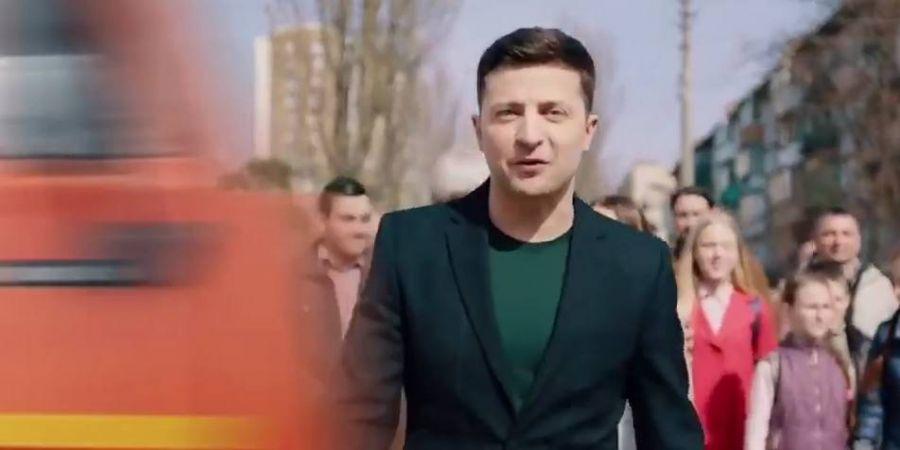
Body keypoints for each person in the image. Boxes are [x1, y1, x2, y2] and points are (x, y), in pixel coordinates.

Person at [331, 27, 702, 450]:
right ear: (479, 129)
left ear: (588, 130)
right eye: (508, 113)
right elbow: (356, 418)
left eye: (553, 112)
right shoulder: (411, 246)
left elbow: (669, 431)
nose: (529, 135)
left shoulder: (638, 264)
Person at [676, 211, 779, 450]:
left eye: (726, 246)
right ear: (694, 253)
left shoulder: (755, 308)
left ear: (737, 253)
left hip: (743, 432)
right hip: (692, 433)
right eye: (708, 246)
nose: (717, 254)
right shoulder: (678, 309)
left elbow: (770, 377)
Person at [745, 269, 853, 450]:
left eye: (826, 307)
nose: (820, 316)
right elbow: (756, 433)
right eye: (811, 307)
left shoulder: (840, 364)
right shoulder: (773, 366)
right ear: (789, 310)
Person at [811, 207, 898, 378]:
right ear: (815, 239)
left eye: (846, 234)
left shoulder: (877, 285)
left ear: (858, 240)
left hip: (867, 385)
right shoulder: (797, 286)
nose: (838, 241)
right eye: (829, 234)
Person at [315, 176, 375, 337]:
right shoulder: (294, 275)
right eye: (348, 219)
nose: (359, 230)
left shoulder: (386, 273)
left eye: (365, 219)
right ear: (323, 221)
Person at [854, 247, 900, 450]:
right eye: (894, 283)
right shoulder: (886, 335)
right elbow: (873, 402)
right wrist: (864, 442)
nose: (897, 292)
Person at [671, 186, 715, 257]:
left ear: (713, 214)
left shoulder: (726, 257)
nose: (690, 223)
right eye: (683, 215)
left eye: (697, 214)